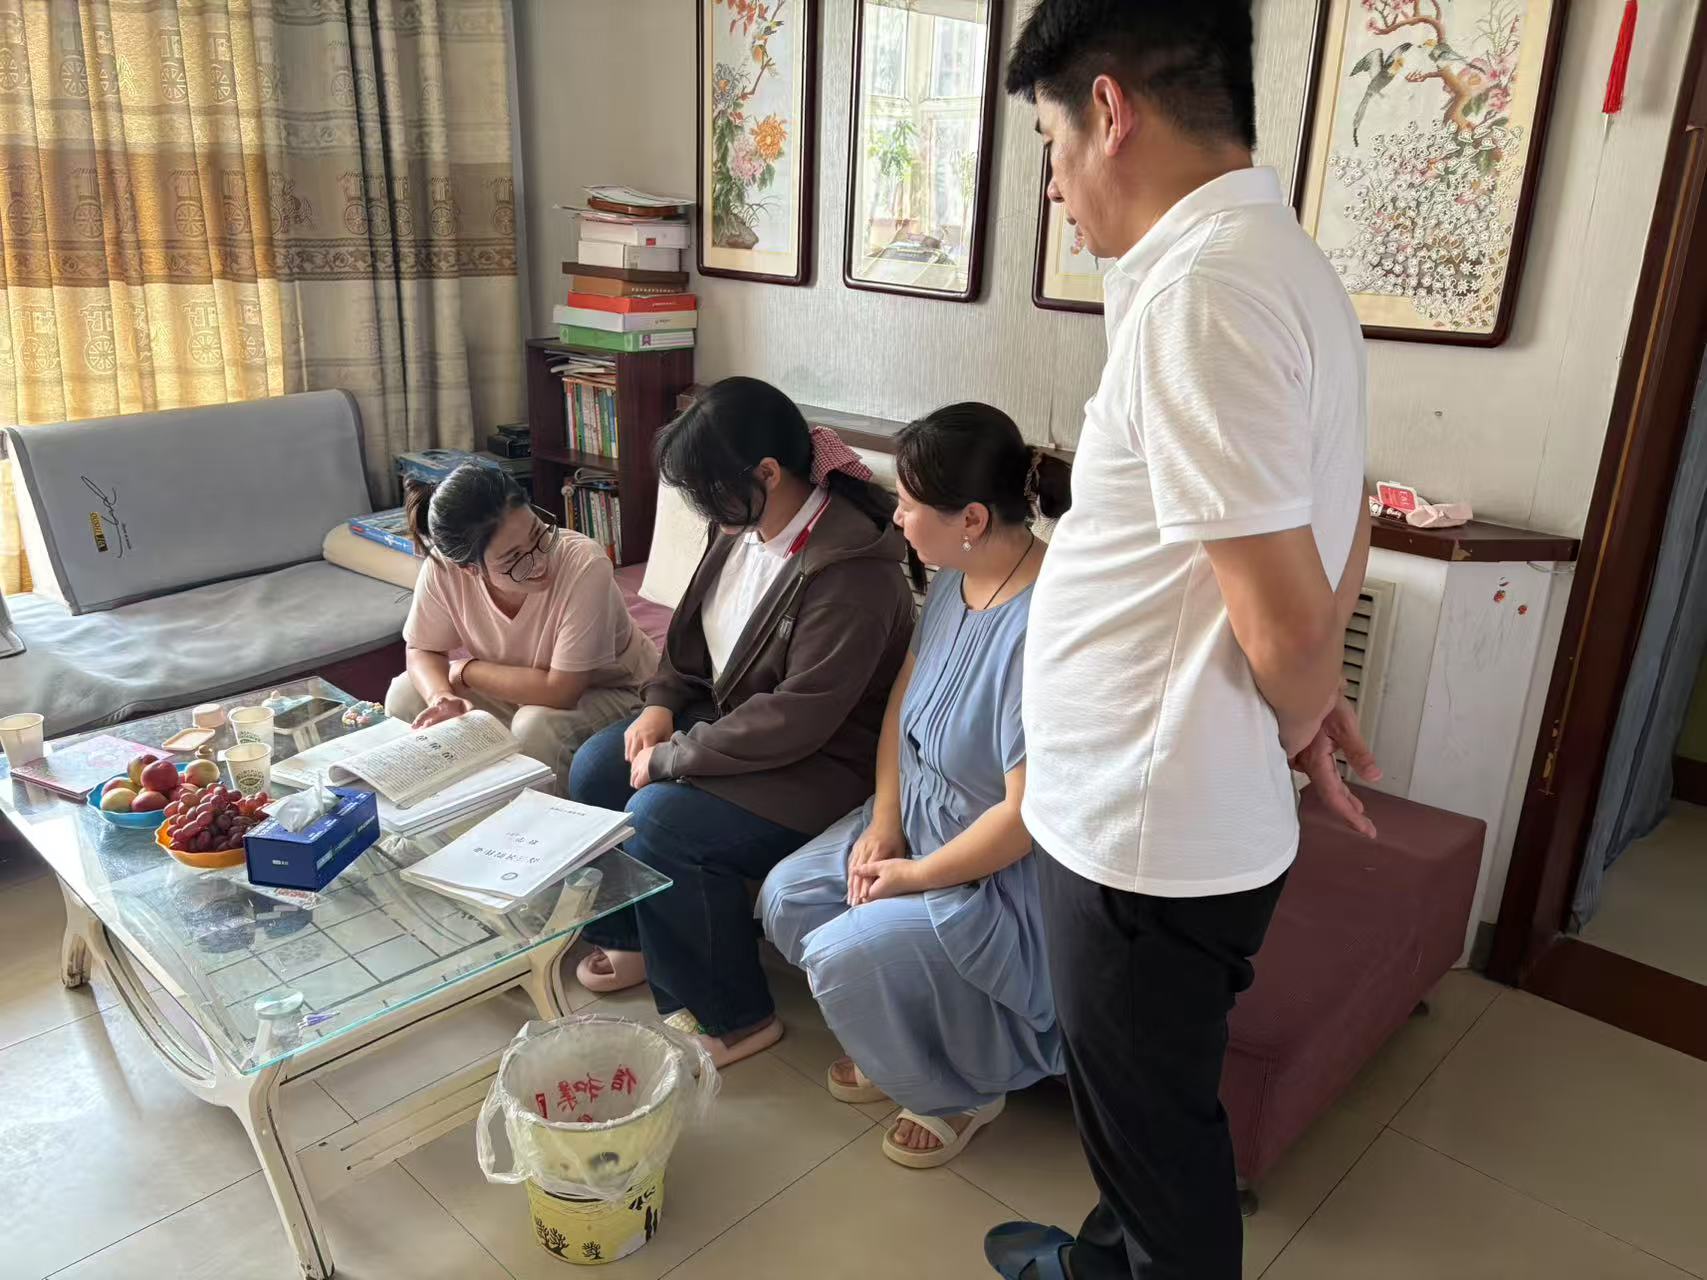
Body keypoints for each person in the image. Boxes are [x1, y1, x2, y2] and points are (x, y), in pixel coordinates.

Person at [987, 5, 1381, 1279]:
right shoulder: (1276, 262)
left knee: (1160, 1147)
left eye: (1049, 144)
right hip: (1165, 812)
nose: (1055, 185)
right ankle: (1103, 1258)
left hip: (1144, 836)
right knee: (1141, 1112)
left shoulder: (1204, 292)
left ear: (1109, 111)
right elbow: (1344, 515)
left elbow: (1288, 623)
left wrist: (1301, 699)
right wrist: (1302, 706)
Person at [569, 376, 918, 1068]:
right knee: (596, 767)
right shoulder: (738, 527)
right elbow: (689, 641)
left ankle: (733, 1020)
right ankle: (637, 940)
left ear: (768, 473)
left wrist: (676, 755)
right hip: (732, 723)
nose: (702, 508)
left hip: (818, 762)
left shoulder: (850, 568)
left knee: (662, 821)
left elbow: (800, 716)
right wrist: (661, 704)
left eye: (708, 492)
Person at [760, 403, 1069, 1169]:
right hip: (918, 814)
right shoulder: (957, 580)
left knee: (837, 954)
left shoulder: (1046, 628)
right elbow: (903, 701)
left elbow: (1024, 819)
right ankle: (897, 1035)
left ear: (970, 518)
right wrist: (883, 822)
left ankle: (960, 1093)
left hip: (994, 865)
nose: (896, 518)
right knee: (787, 897)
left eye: (906, 503)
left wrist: (914, 876)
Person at [386, 464, 657, 790]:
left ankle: (546, 819)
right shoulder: (444, 570)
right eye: (514, 558)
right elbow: (422, 648)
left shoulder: (584, 564)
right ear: (470, 569)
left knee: (535, 726)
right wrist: (441, 696)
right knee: (406, 694)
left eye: (538, 534)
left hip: (615, 690)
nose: (540, 561)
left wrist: (465, 671)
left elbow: (562, 690)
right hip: (523, 688)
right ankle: (443, 808)